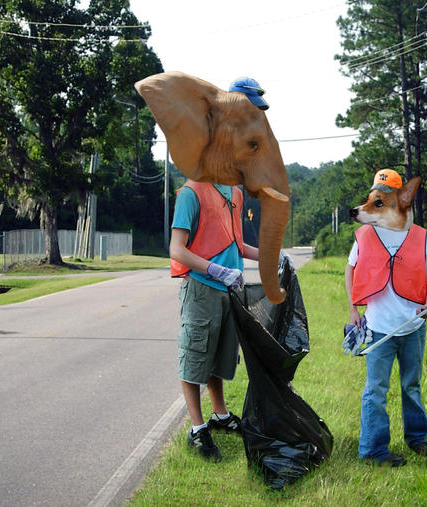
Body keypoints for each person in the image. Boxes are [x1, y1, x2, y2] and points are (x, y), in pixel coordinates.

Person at [168, 77, 268, 462]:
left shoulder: (235, 192)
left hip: (229, 290)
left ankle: (220, 415)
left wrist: (271, 256)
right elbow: (177, 249)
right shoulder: (191, 192)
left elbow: (238, 245)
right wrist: (215, 270)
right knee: (195, 355)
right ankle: (197, 429)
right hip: (201, 286)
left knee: (219, 358)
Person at [346, 169, 427, 466]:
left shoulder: (424, 239)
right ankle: (373, 449)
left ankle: (417, 438)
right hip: (377, 328)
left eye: (378, 203)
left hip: (412, 327)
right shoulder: (364, 236)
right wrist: (353, 309)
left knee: (411, 385)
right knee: (375, 389)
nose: (367, 208)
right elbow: (350, 270)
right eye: (370, 200)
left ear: (403, 200)